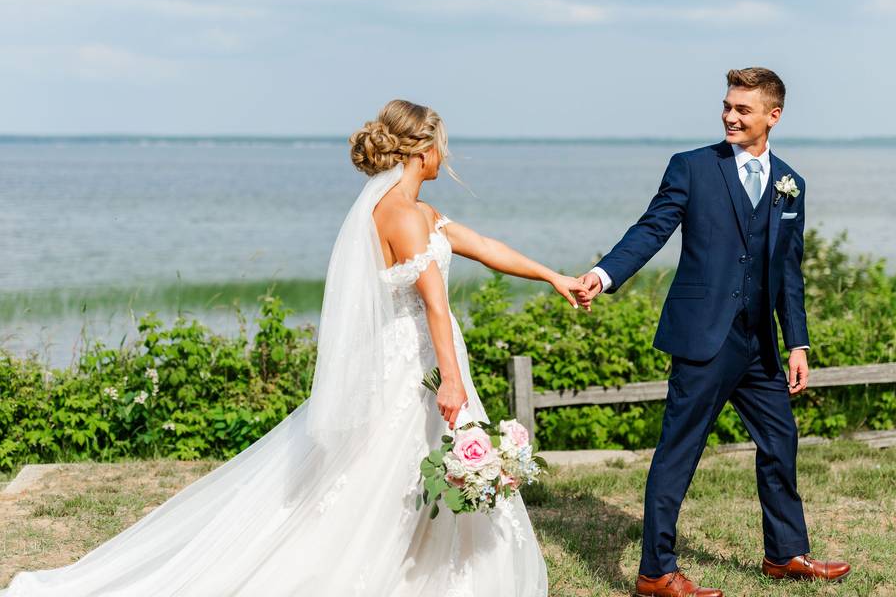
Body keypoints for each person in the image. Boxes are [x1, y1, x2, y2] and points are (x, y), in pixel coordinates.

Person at [1, 99, 588, 596]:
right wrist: (454, 381)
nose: (446, 157)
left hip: (419, 358)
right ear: (419, 150)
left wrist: (554, 276)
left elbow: (484, 245)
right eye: (440, 147)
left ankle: (429, 563)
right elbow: (436, 305)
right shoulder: (403, 217)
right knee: (384, 468)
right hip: (416, 363)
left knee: (408, 463)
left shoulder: (420, 213)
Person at [577, 68, 851, 597]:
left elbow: (788, 270)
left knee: (780, 442)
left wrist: (798, 342)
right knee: (679, 451)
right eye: (726, 106)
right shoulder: (692, 168)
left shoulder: (791, 182)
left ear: (773, 116)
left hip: (760, 346)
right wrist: (604, 274)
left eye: (742, 109)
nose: (729, 115)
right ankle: (656, 571)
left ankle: (786, 554)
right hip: (703, 337)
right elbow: (651, 229)